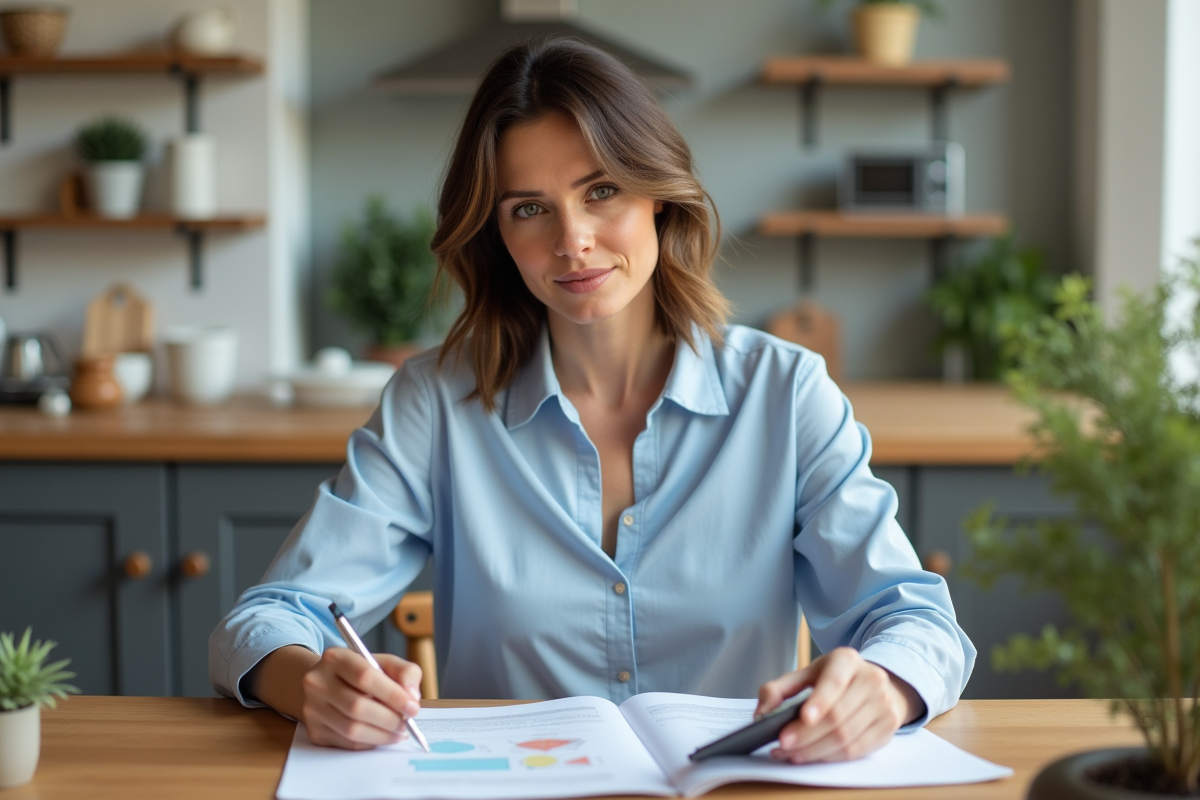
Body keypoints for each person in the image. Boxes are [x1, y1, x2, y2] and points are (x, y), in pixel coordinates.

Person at [210, 38, 974, 764]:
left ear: (660, 200)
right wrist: (309, 683)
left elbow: (915, 620)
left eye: (601, 191)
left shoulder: (786, 393)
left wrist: (884, 688)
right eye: (529, 209)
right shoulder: (435, 403)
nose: (571, 241)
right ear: (496, 236)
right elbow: (268, 617)